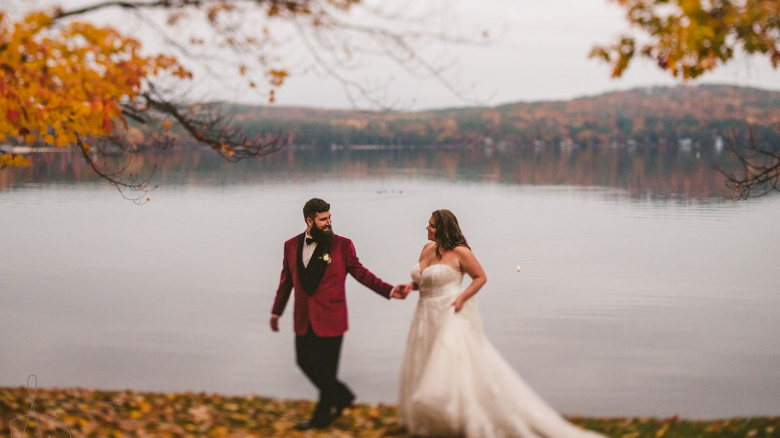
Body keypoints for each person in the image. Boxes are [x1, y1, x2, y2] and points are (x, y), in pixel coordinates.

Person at [397, 209, 606, 438]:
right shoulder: (427, 249)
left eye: (432, 225)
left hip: (448, 313)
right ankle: (426, 420)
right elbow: (425, 280)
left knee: (450, 367)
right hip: (424, 315)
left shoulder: (460, 252)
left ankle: (456, 416)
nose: (427, 228)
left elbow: (480, 277)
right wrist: (411, 286)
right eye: (428, 224)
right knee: (424, 361)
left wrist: (462, 298)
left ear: (444, 228)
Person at [270, 198, 409, 431]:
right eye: (323, 219)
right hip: (303, 318)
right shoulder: (291, 245)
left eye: (329, 217)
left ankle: (320, 420)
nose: (329, 222)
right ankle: (343, 396)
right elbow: (286, 282)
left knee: (327, 371)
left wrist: (389, 290)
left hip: (332, 318)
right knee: (303, 361)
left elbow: (361, 273)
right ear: (309, 220)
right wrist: (276, 311)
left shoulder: (342, 246)